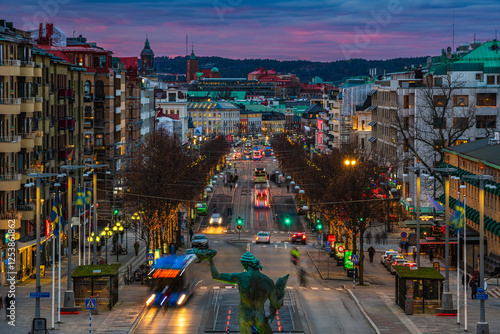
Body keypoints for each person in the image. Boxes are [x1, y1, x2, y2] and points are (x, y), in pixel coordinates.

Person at [196, 250, 289, 334]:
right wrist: (282, 293)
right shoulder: (267, 281)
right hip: (260, 317)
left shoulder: (241, 277)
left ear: (246, 265)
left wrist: (211, 260)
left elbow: (216, 276)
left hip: (245, 316)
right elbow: (276, 303)